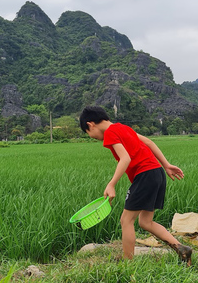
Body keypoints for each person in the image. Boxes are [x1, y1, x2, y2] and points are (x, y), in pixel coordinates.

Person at [79, 106, 192, 265]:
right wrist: (166, 165)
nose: (93, 137)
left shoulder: (110, 133)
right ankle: (181, 248)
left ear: (90, 125)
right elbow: (149, 142)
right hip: (156, 173)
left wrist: (111, 184)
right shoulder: (123, 128)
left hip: (145, 175)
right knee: (145, 222)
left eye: (89, 134)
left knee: (126, 220)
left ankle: (128, 263)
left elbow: (125, 159)